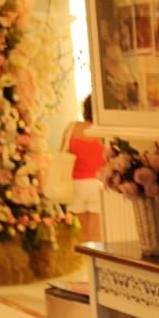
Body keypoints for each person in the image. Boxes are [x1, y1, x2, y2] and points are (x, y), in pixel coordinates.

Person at [59, 93, 105, 245]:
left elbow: (62, 153)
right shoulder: (103, 131)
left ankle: (87, 258)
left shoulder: (72, 128)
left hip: (75, 185)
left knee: (82, 233)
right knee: (97, 233)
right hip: (97, 185)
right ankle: (96, 259)